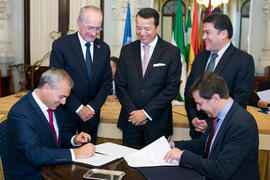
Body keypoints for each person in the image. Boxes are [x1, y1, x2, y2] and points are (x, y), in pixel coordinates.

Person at [164, 72, 259, 180]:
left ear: (215, 98)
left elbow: (221, 170)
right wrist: (174, 145)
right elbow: (203, 145)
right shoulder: (215, 116)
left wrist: (183, 156)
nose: (198, 108)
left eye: (200, 103)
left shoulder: (241, 124)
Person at [7, 69, 96, 180]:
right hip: (32, 175)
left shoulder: (53, 104)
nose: (64, 102)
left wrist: (74, 139)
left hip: (55, 170)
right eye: (61, 96)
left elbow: (55, 134)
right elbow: (35, 154)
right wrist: (75, 153)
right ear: (46, 87)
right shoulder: (21, 113)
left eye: (66, 98)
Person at [115, 8, 181, 146]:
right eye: (138, 28)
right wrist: (134, 113)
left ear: (157, 27)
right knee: (128, 164)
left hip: (158, 122)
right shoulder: (126, 51)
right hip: (131, 121)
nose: (142, 33)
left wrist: (146, 113)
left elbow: (172, 88)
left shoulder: (171, 52)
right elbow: (120, 85)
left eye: (147, 28)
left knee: (155, 165)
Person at [185, 13, 255, 139]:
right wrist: (193, 118)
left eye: (207, 32)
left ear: (223, 34)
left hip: (224, 133)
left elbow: (240, 100)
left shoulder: (243, 60)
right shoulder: (200, 57)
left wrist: (211, 123)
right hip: (197, 133)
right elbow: (189, 92)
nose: (203, 37)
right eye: (203, 32)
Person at [50, 5, 112, 144]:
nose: (93, 33)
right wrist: (78, 108)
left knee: (90, 155)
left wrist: (91, 108)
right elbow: (57, 81)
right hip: (67, 111)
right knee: (65, 156)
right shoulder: (61, 45)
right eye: (90, 27)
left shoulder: (104, 48)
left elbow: (106, 82)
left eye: (98, 28)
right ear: (78, 23)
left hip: (92, 115)